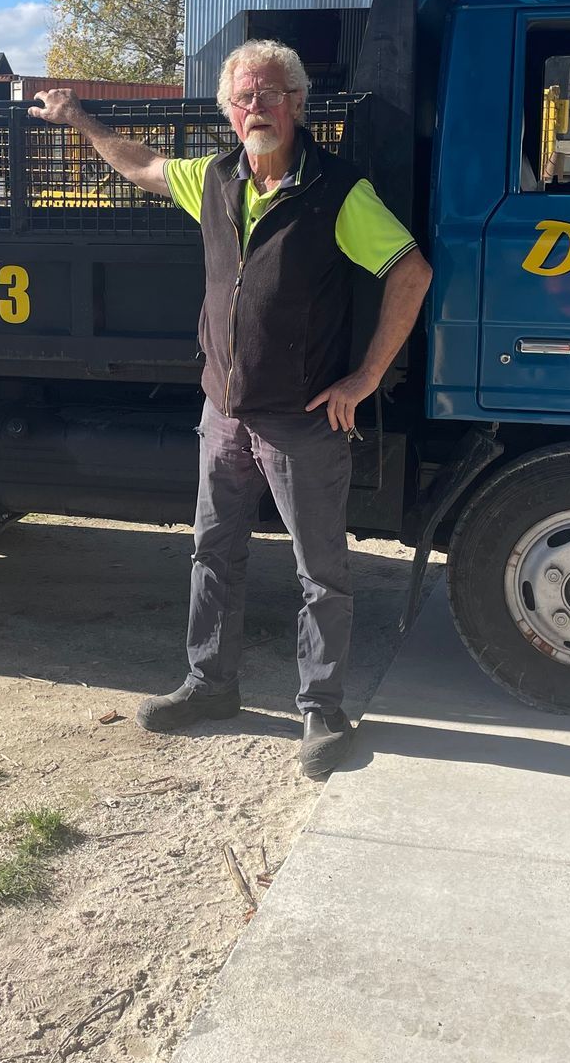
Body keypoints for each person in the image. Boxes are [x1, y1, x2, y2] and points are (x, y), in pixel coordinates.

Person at [30, 41, 433, 779]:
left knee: (322, 572)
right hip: (224, 413)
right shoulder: (213, 179)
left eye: (272, 94)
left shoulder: (338, 191)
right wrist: (78, 120)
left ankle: (322, 709)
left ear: (299, 104)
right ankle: (210, 685)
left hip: (303, 421)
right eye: (244, 98)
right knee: (213, 554)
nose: (258, 109)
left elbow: (411, 271)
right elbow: (140, 163)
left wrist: (364, 378)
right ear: (227, 111)